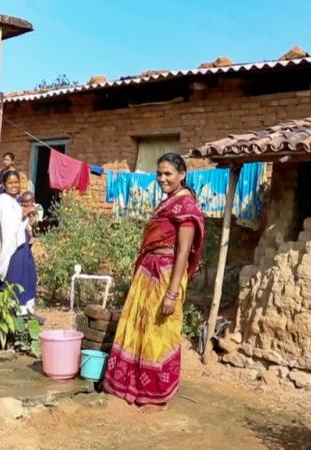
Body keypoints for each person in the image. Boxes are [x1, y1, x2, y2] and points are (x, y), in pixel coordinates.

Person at [103, 153, 205, 412]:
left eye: (168, 174)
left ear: (182, 175)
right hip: (148, 274)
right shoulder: (167, 203)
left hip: (166, 275)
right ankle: (131, 387)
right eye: (159, 173)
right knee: (138, 327)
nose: (162, 178)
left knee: (158, 332)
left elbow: (183, 251)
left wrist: (172, 294)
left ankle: (155, 395)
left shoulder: (186, 206)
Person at [0, 171, 38, 315]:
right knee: (14, 279)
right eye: (10, 183)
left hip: (23, 244)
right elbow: (8, 224)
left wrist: (31, 219)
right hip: (12, 247)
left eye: (16, 182)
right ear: (4, 185)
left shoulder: (16, 200)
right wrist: (25, 213)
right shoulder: (2, 200)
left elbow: (24, 223)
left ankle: (26, 312)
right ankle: (11, 313)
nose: (14, 185)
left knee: (28, 276)